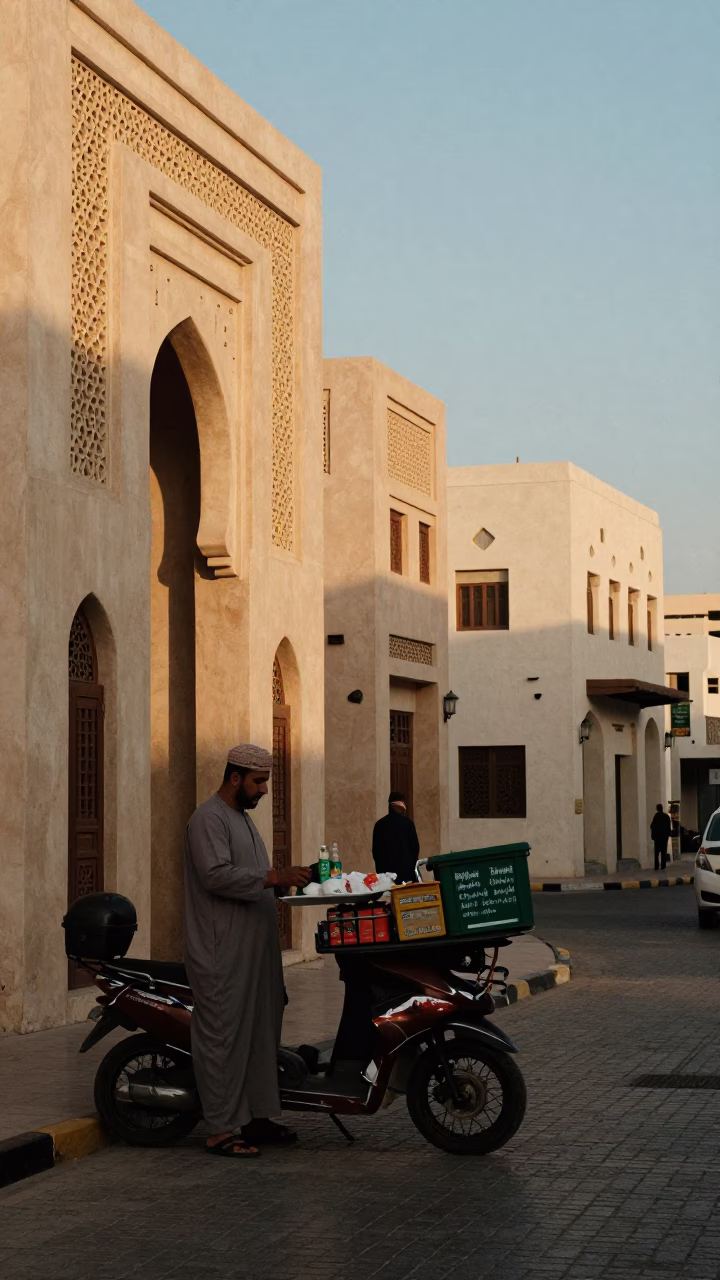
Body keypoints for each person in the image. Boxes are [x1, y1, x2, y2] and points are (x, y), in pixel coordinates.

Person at [184, 743, 311, 1159]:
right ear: (235, 778)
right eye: (258, 782)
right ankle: (220, 1130)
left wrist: (287, 881)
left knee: (260, 1035)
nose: (263, 791)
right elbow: (216, 876)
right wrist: (275, 876)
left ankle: (257, 1117)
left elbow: (255, 877)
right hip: (223, 951)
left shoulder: (242, 819)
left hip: (256, 951)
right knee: (224, 1038)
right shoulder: (208, 819)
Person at [372, 791, 420, 885]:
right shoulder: (407, 824)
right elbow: (415, 848)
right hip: (406, 876)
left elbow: (376, 852)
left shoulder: (379, 825)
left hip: (385, 877)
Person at [650, 803, 672, 872]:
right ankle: (663, 865)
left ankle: (656, 866)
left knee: (656, 853)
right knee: (663, 852)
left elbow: (652, 826)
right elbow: (669, 827)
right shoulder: (666, 816)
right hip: (664, 837)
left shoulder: (656, 816)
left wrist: (653, 835)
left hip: (658, 837)